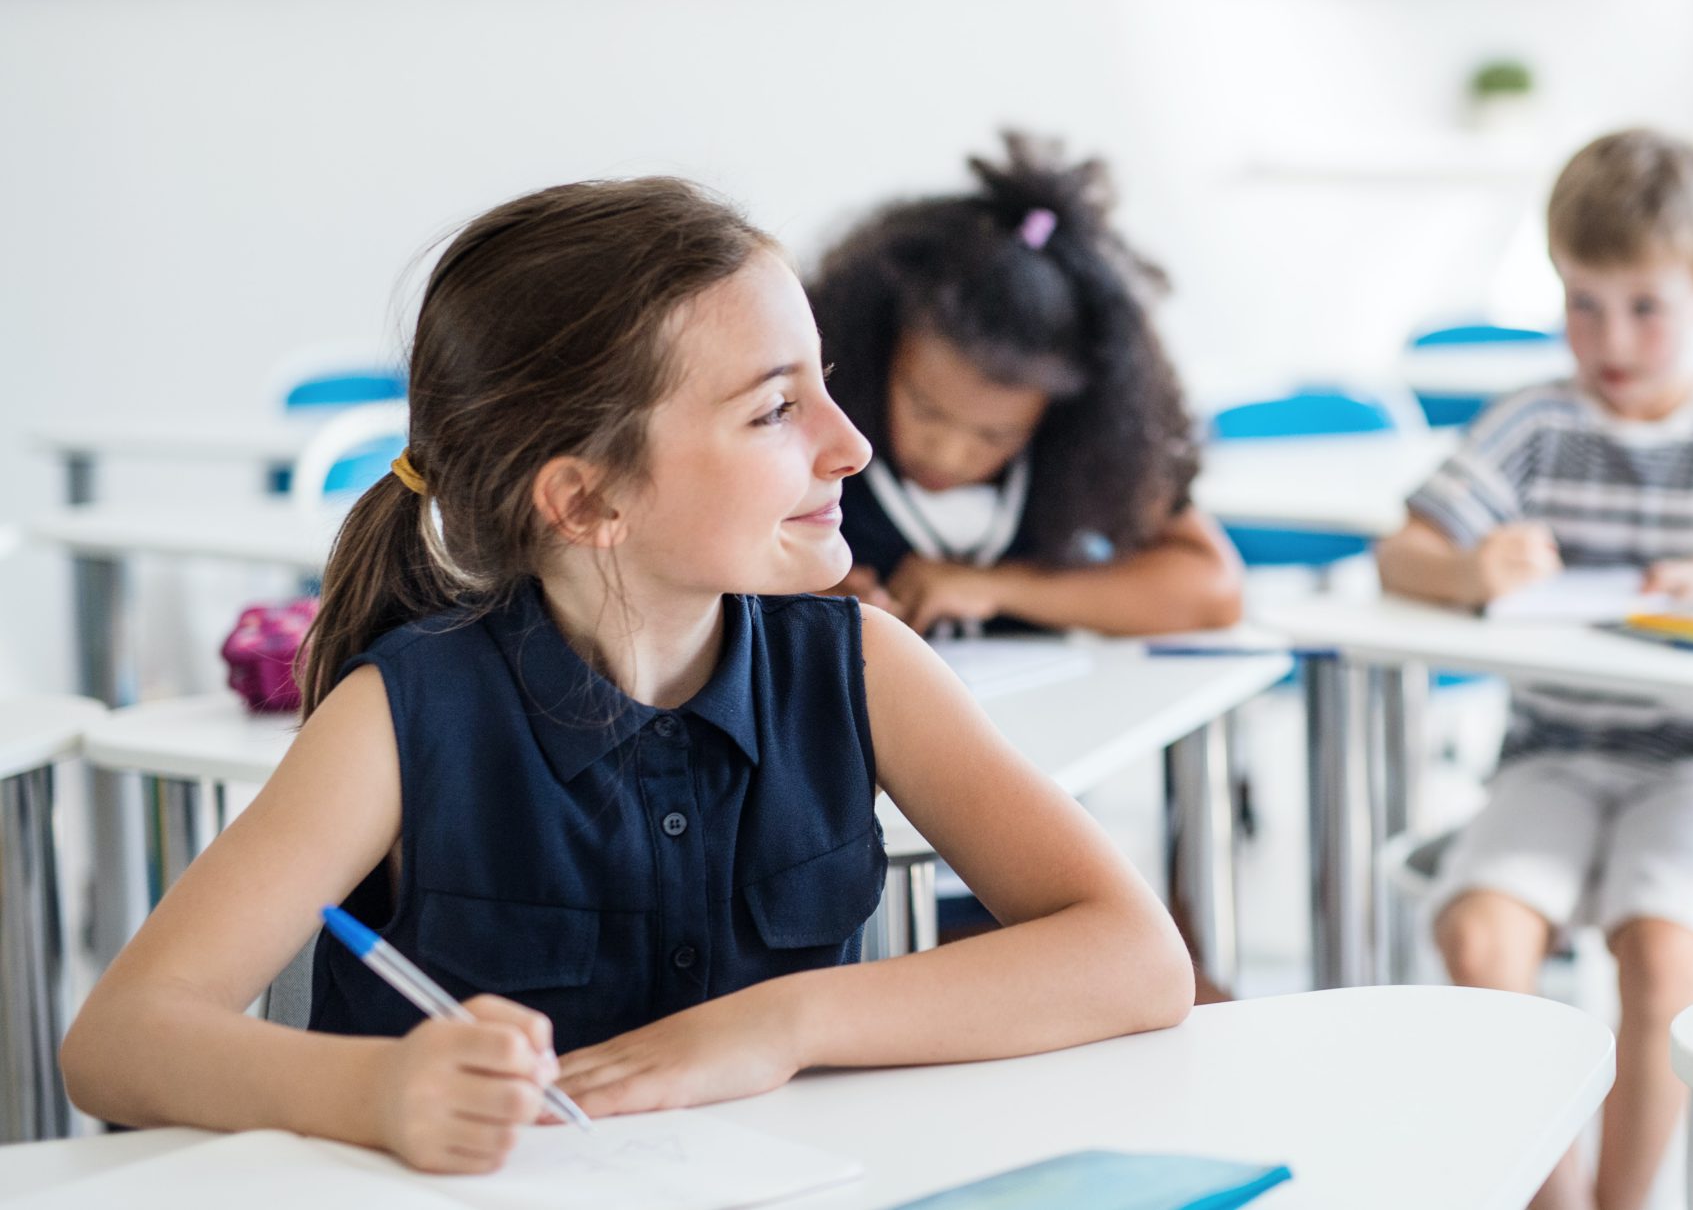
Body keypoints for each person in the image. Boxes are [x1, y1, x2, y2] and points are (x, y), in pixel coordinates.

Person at [62, 177, 1193, 1173]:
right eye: (774, 409)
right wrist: (375, 1094)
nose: (851, 446)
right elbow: (119, 1042)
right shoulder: (400, 721)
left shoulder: (863, 667)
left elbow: (1135, 957)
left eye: (824, 384)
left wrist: (780, 1025)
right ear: (588, 500)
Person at [1379, 127, 1693, 1210]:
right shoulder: (1535, 424)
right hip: (1551, 757)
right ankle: (1550, 1200)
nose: (1609, 339)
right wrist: (1469, 568)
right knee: (1477, 936)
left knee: (1661, 964)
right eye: (1582, 303)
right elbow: (1399, 553)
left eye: (1643, 307)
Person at [804, 134, 1241, 637]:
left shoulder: (1083, 454)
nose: (948, 453)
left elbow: (1215, 589)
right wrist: (802, 597)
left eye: (995, 436)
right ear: (880, 352)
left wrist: (993, 587)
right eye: (925, 409)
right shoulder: (821, 434)